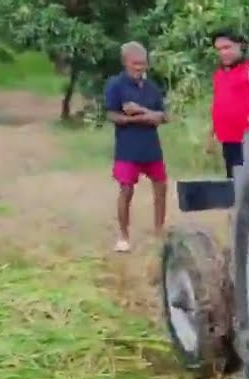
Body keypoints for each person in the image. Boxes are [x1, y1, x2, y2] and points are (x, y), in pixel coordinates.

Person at [104, 41, 169, 253]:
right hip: (127, 147)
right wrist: (144, 118)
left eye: (143, 64)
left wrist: (138, 112)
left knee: (161, 186)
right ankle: (123, 236)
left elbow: (163, 116)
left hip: (151, 146)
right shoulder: (115, 85)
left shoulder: (151, 87)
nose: (140, 68)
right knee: (126, 190)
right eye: (135, 64)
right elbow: (112, 115)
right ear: (125, 62)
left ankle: (159, 230)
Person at [210, 31, 249, 179]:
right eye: (219, 49)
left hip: (248, 138)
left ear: (240, 45)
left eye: (227, 47)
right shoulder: (218, 74)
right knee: (233, 180)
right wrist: (211, 134)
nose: (223, 52)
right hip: (228, 138)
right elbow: (217, 104)